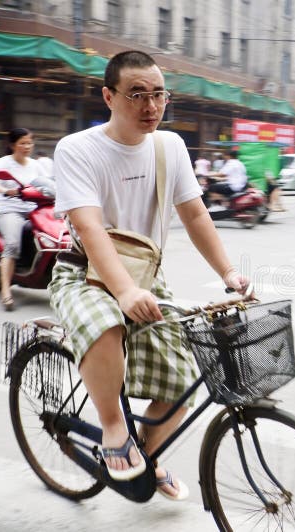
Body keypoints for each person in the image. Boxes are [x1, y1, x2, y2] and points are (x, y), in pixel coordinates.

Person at [48, 50, 252, 500]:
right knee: (105, 325)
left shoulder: (170, 146)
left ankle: (149, 457)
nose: (150, 106)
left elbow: (196, 215)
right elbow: (88, 226)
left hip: (145, 276)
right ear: (109, 96)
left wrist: (230, 273)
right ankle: (114, 429)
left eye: (158, 94)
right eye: (136, 94)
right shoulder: (78, 149)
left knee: (183, 380)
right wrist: (121, 291)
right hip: (85, 274)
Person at [0, 128, 45, 311]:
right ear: (13, 145)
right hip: (10, 210)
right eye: (23, 143)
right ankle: (6, 291)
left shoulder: (36, 165)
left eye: (29, 143)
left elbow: (45, 183)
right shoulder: (3, 163)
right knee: (12, 245)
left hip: (34, 209)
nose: (27, 146)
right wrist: (5, 191)